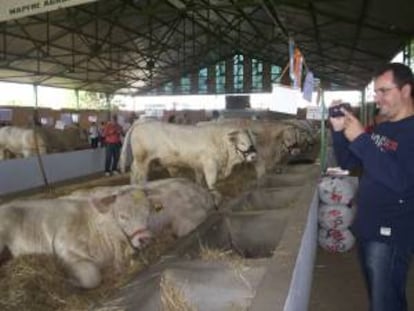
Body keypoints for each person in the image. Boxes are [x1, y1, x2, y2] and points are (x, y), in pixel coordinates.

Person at [329, 62, 414, 311]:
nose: (377, 98)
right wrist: (338, 132)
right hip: (368, 227)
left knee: (385, 303)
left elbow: (402, 182)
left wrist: (362, 139)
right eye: (375, 92)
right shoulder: (383, 128)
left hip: (391, 234)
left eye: (383, 91)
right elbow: (349, 163)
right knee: (381, 298)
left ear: (406, 91)